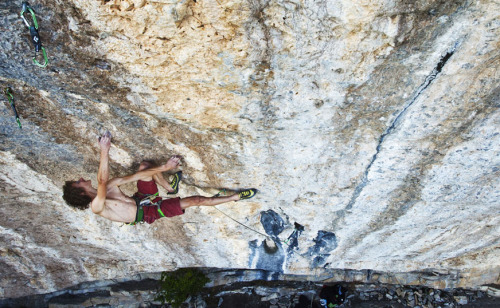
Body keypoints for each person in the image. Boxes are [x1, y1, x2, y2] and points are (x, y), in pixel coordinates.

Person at [62, 132, 257, 224]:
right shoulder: (97, 206)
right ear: (80, 191)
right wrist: (104, 150)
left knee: (146, 167)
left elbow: (138, 175)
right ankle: (235, 197)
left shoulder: (111, 186)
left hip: (142, 198)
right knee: (196, 201)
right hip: (149, 212)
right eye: (78, 182)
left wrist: (164, 167)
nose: (81, 178)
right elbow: (101, 182)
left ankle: (170, 188)